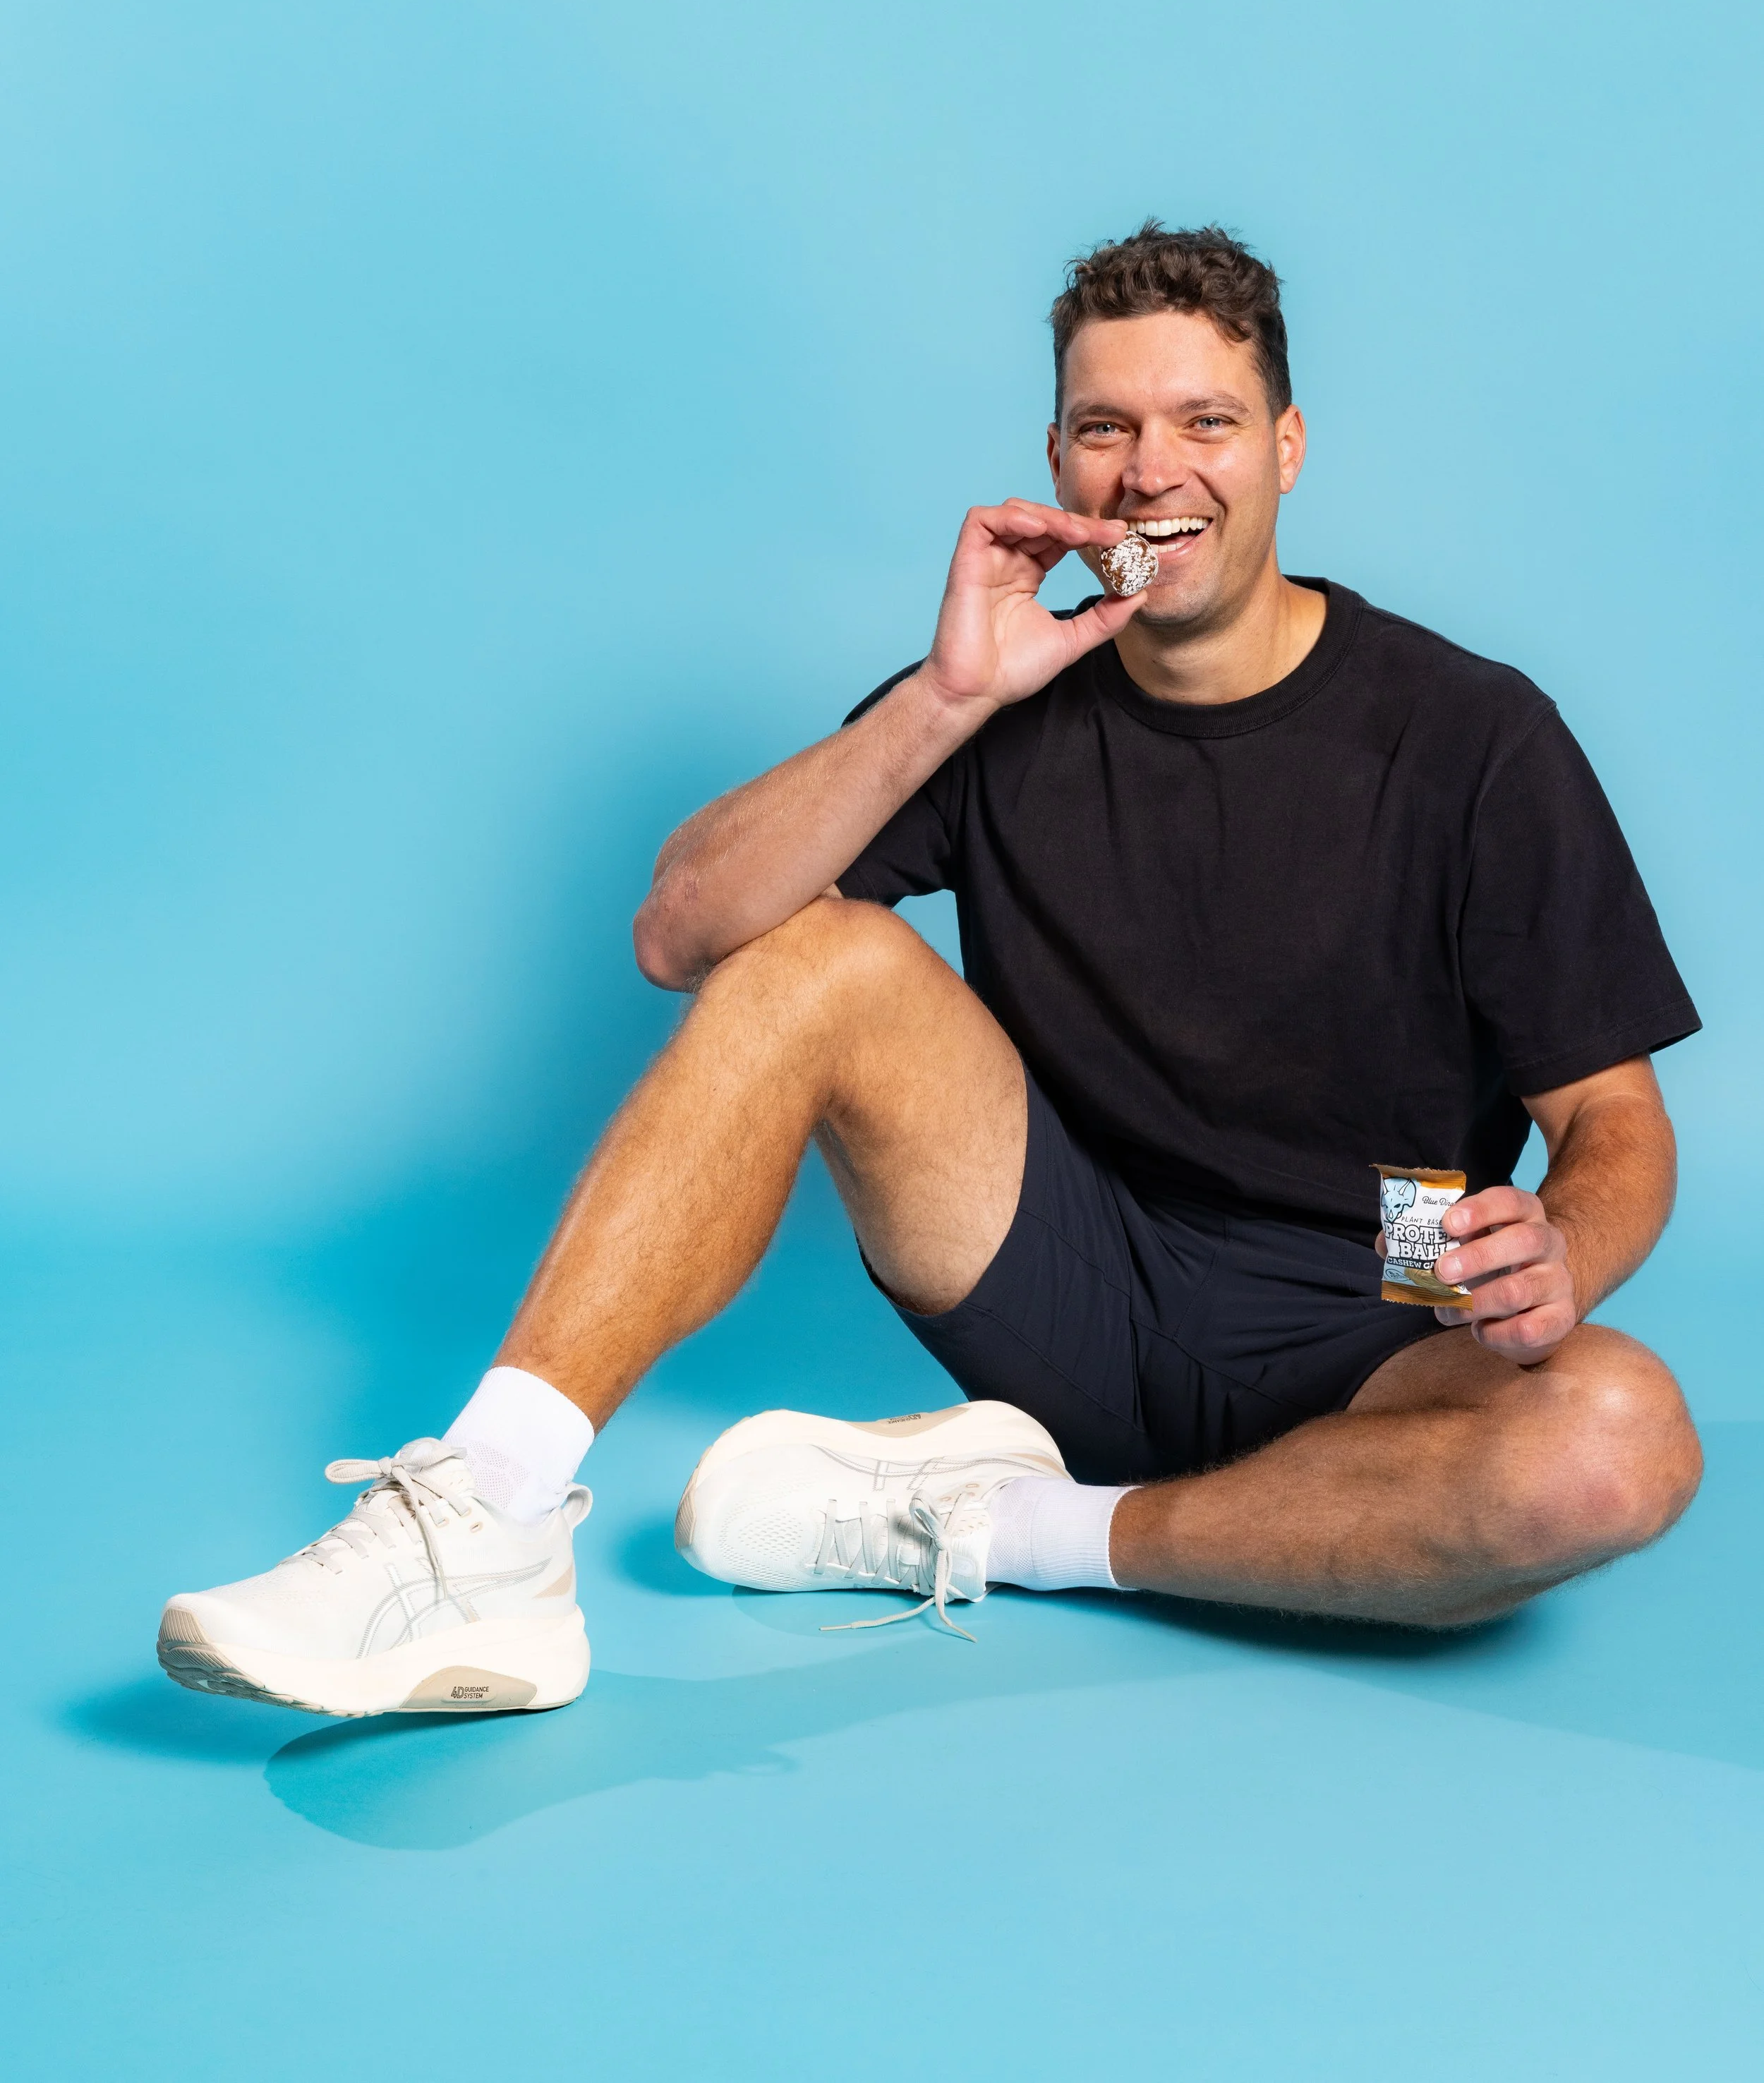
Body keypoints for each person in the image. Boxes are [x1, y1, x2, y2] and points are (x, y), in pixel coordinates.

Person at [159, 223, 1704, 1718]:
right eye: (1104, 424)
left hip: (1382, 1275)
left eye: (1203, 421)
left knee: (1612, 1447)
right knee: (818, 950)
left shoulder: (1469, 734)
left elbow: (1612, 1126)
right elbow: (679, 929)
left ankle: (1005, 1528)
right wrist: (947, 695)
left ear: (1285, 449)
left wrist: (1559, 1244)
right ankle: (484, 1515)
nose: (1150, 467)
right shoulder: (1003, 696)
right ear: (1055, 460)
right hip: (1078, 1256)